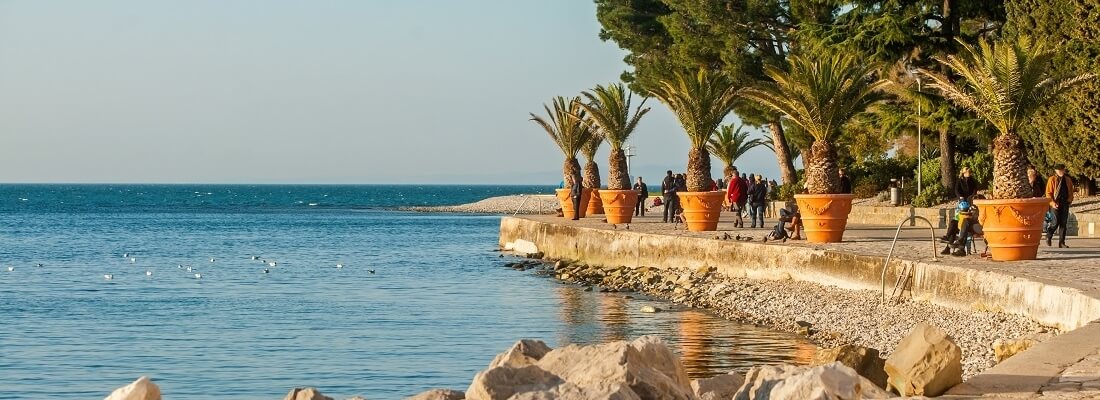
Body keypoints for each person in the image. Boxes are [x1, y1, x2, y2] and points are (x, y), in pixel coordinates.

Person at [1045, 164, 1075, 248]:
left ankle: (1062, 242)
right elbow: (1048, 193)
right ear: (1056, 171)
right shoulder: (1052, 179)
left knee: (1063, 223)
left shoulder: (1068, 179)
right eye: (1059, 170)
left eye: (1062, 170)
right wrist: (1052, 203)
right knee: (1055, 222)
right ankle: (1048, 235)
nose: (1061, 172)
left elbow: (1071, 191)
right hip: (1055, 203)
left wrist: (1070, 200)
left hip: (1065, 203)